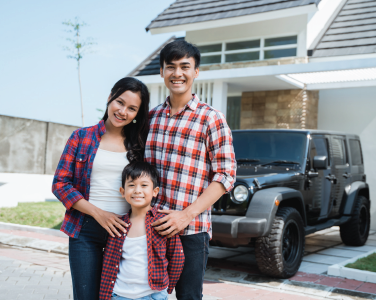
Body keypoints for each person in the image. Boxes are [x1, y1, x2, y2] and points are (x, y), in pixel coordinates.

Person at [145, 40, 236, 299]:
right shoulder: (150, 119)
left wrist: (185, 215)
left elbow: (226, 175)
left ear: (196, 71)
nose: (178, 73)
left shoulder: (211, 118)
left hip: (192, 231)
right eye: (170, 67)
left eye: (185, 66)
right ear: (162, 71)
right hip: (151, 228)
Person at [52, 77, 150, 300]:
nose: (123, 111)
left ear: (137, 114)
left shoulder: (139, 146)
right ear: (109, 99)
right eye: (120, 102)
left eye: (132, 108)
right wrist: (99, 214)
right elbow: (60, 184)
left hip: (125, 231)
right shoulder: (81, 137)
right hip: (85, 229)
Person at [99, 161, 184, 300]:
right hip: (119, 295)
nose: (137, 190)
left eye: (144, 185)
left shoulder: (162, 222)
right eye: (131, 185)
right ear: (123, 191)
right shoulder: (118, 224)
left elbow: (177, 257)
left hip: (153, 295)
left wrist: (166, 288)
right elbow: (108, 261)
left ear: (155, 191)